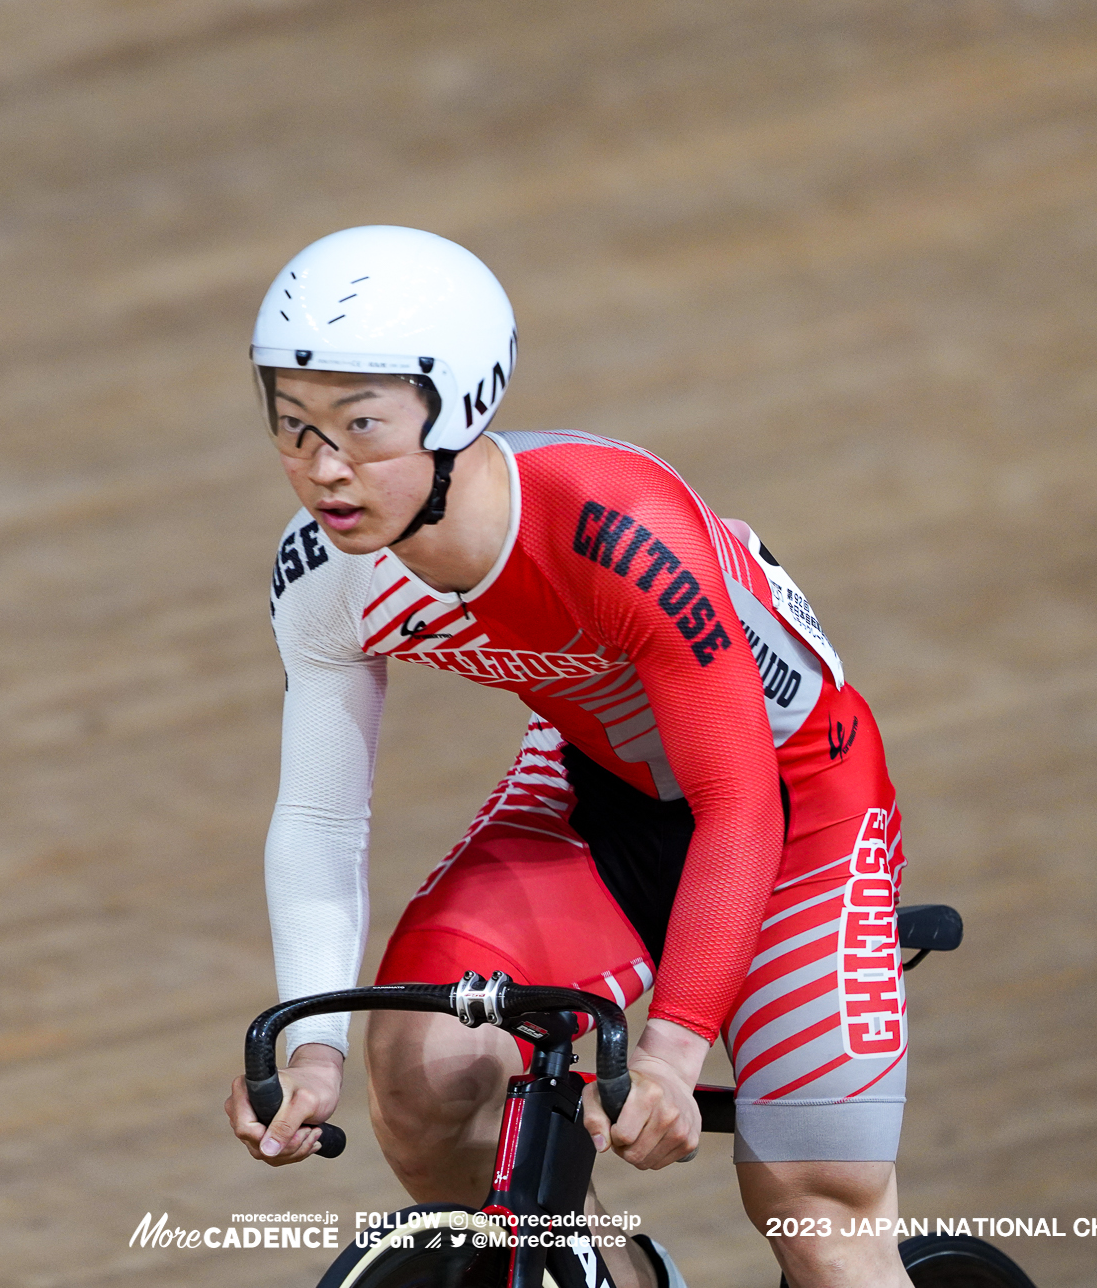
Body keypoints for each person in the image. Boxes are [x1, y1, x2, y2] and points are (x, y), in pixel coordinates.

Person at [224, 226, 912, 1288]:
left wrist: (674, 1053)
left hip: (795, 803)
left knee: (818, 1209)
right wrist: (310, 1049)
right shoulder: (325, 574)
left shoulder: (620, 526)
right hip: (600, 784)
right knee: (425, 1070)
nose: (324, 468)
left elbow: (737, 804)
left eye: (361, 426)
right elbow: (319, 818)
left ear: (457, 407)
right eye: (293, 426)